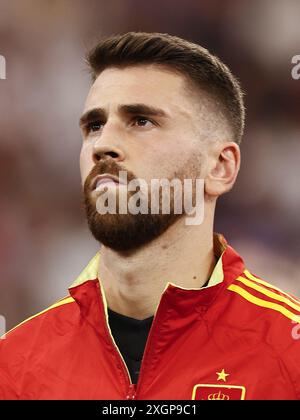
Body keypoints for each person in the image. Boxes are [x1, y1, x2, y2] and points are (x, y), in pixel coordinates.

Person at [1, 32, 300, 401]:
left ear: (220, 167)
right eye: (94, 125)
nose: (103, 145)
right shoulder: (14, 366)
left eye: (141, 121)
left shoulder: (289, 355)